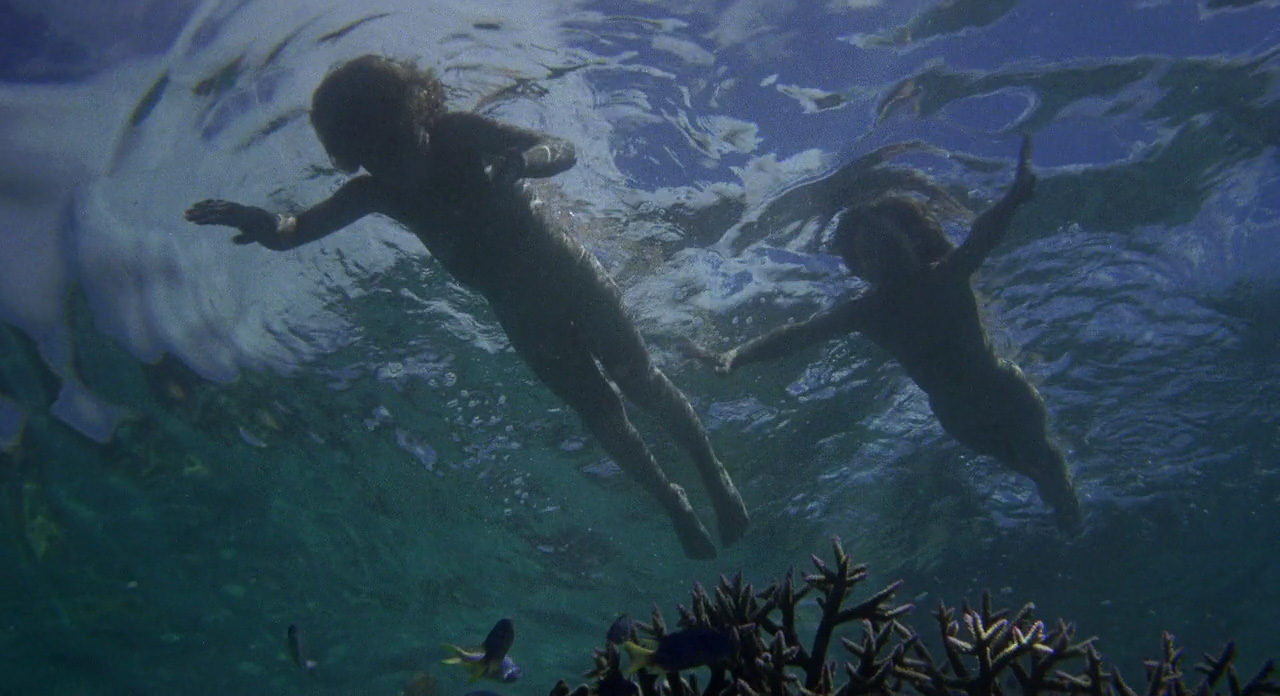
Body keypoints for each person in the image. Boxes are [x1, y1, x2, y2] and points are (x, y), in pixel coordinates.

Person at [183, 54, 748, 559]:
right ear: (353, 159)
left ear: (419, 112)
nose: (391, 162)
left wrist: (524, 163)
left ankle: (712, 470)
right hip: (521, 316)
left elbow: (560, 149)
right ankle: (672, 502)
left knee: (641, 380)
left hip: (572, 275)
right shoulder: (374, 192)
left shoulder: (457, 134)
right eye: (372, 156)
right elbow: (297, 227)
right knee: (602, 414)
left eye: (396, 140)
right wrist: (263, 224)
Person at [687, 138, 1083, 531]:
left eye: (888, 245)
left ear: (911, 242)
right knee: (1033, 471)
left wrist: (1015, 197)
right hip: (962, 421)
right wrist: (736, 355)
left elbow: (985, 232)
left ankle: (1073, 526)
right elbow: (798, 335)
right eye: (869, 255)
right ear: (859, 267)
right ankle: (1067, 525)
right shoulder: (868, 312)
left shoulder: (946, 274)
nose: (883, 259)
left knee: (1049, 472)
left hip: (1004, 395)